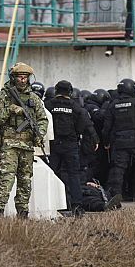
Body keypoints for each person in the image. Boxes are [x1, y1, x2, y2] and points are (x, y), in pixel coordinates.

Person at [0, 62, 49, 218]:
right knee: (6, 179)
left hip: (27, 145)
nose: (22, 80)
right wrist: (10, 110)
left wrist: (39, 134)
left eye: (25, 77)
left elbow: (42, 119)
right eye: (19, 77)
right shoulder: (3, 96)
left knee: (25, 181)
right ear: (13, 78)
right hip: (9, 144)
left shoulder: (33, 99)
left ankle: (23, 213)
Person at [45, 80, 98, 215]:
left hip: (53, 145)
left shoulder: (48, 105)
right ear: (70, 92)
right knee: (74, 175)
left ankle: (52, 205)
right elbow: (86, 124)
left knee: (53, 175)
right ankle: (77, 206)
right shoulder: (76, 107)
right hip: (71, 145)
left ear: (56, 91)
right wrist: (94, 140)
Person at [102, 78, 135, 202]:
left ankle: (116, 197)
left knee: (118, 170)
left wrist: (106, 142)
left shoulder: (113, 104)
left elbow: (106, 128)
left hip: (120, 141)